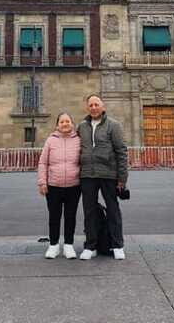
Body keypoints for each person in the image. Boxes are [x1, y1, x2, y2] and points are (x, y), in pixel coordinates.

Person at [77, 94, 128, 260]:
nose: (93, 107)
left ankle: (117, 245)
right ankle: (90, 246)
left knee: (113, 210)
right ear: (87, 107)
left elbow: (121, 152)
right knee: (89, 211)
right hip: (87, 175)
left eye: (96, 104)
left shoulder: (114, 125)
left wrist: (122, 178)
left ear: (103, 107)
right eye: (90, 105)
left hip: (108, 174)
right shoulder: (82, 126)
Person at [37, 112, 81, 259]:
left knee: (70, 216)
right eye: (62, 121)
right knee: (54, 217)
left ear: (72, 124)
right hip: (53, 185)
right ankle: (54, 245)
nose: (65, 124)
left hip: (74, 185)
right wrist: (42, 182)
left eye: (68, 121)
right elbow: (43, 162)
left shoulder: (79, 140)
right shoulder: (50, 140)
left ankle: (69, 245)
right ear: (57, 125)